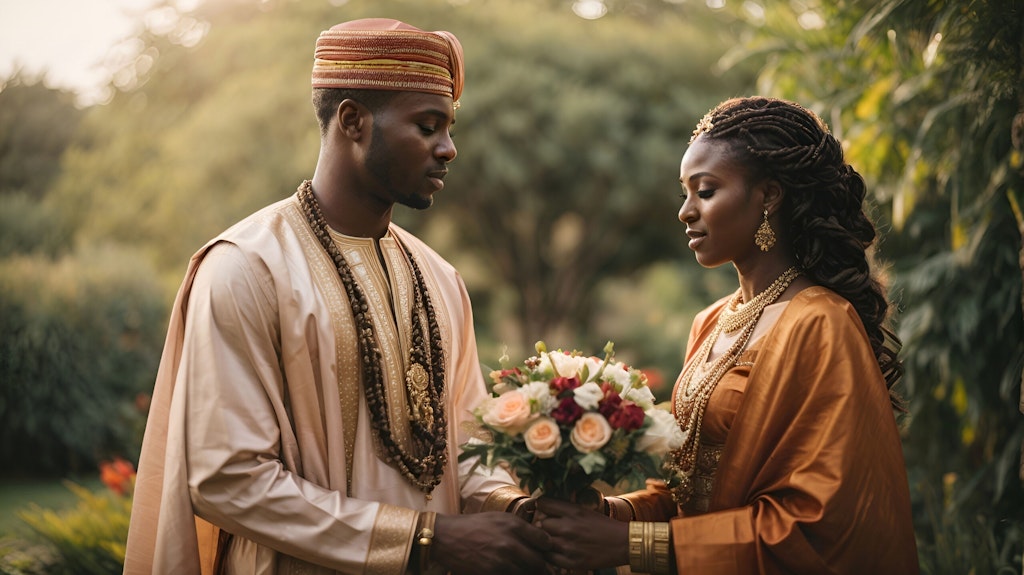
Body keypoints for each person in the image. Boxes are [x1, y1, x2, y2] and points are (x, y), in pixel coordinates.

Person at [123, 18, 550, 575]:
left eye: (448, 128)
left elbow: (467, 446)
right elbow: (227, 478)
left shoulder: (440, 278)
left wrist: (514, 509)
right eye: (427, 126)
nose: (448, 148)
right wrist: (425, 540)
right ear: (352, 120)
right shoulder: (247, 268)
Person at [534, 96, 919, 574]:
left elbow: (820, 524)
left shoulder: (821, 323)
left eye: (707, 191)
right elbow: (683, 489)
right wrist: (610, 515)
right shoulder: (712, 321)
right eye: (685, 194)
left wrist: (634, 546)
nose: (686, 212)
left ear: (769, 196)